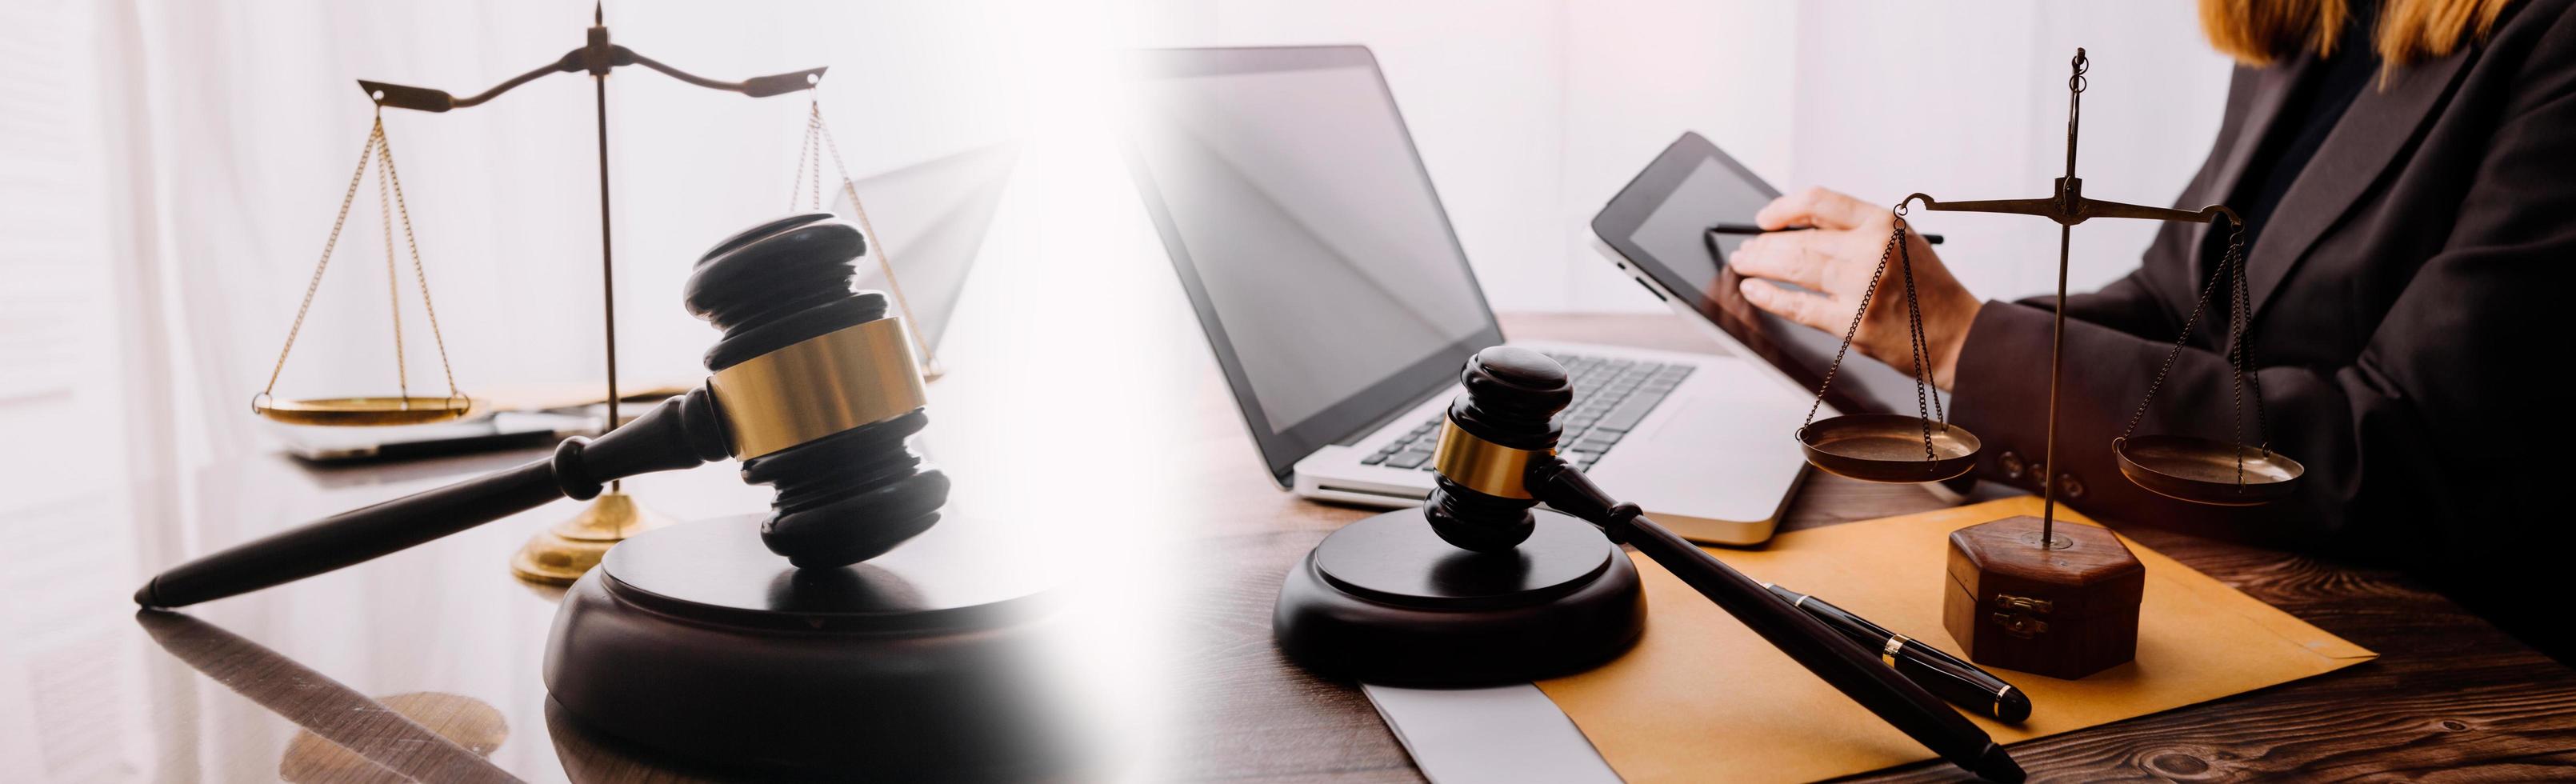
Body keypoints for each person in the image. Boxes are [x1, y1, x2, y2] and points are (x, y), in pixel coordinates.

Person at [1728, 0, 2574, 660]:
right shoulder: (2310, 23)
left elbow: (2401, 449)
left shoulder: (2550, 41)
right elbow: (2179, 303)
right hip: (2235, 580)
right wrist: (1930, 346)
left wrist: (1964, 343)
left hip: (2441, 653)